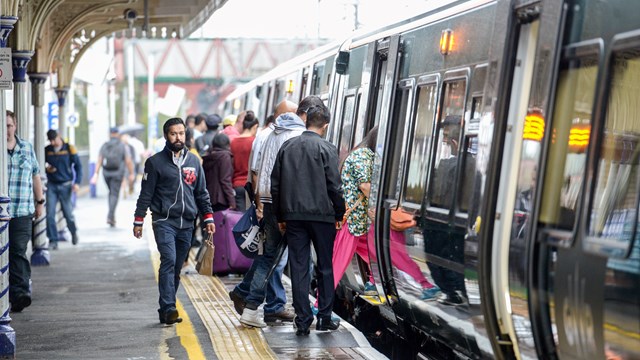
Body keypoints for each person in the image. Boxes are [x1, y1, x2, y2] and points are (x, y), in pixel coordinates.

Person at [271, 96, 345, 335]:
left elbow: (276, 184)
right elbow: (334, 185)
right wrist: (339, 211)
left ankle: (302, 320)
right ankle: (324, 317)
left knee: (299, 266)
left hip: (293, 217)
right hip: (323, 217)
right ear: (324, 126)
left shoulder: (288, 146)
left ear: (305, 122)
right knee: (325, 266)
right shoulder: (327, 148)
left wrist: (281, 216)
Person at [228, 99, 303, 329]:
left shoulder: (269, 135)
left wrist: (261, 203)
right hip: (282, 206)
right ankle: (252, 306)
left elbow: (259, 172)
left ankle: (244, 296)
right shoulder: (294, 135)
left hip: (269, 202)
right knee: (273, 258)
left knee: (267, 256)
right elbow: (276, 173)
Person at [133, 117, 216, 325]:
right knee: (168, 260)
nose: (178, 137)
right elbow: (146, 193)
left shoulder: (194, 162)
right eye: (173, 133)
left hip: (187, 223)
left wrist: (208, 217)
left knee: (177, 267)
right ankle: (170, 307)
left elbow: (201, 193)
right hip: (164, 221)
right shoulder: (155, 163)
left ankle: (165, 308)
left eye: (181, 133)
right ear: (166, 136)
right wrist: (138, 219)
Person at [6, 110, 44, 312]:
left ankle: (20, 293)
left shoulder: (27, 149)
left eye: (9, 125)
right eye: (3, 126)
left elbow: (36, 176)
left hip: (22, 211)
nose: (6, 130)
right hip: (1, 213)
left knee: (18, 251)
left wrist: (40, 202)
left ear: (15, 126)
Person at [44, 129, 82, 249]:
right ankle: (53, 240)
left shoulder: (69, 148)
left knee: (68, 214)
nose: (53, 142)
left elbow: (78, 166)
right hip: (52, 185)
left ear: (59, 136)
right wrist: (47, 169)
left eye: (54, 139)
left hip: (66, 185)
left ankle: (73, 232)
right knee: (50, 214)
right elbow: (40, 164)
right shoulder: (47, 150)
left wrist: (77, 183)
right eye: (50, 140)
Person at [90, 128, 135, 227]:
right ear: (118, 134)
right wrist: (131, 173)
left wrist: (95, 174)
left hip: (106, 173)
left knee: (111, 193)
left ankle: (112, 216)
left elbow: (99, 160)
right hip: (118, 173)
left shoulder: (105, 145)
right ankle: (110, 216)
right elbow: (128, 160)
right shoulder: (122, 146)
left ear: (110, 134)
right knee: (114, 194)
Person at [230, 111, 258, 211]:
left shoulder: (233, 142)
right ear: (255, 126)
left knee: (238, 219)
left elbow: (231, 165)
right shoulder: (254, 142)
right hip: (250, 185)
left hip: (236, 184)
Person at [202, 133, 236, 211]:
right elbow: (225, 180)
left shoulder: (208, 157)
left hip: (209, 197)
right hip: (221, 199)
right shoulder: (224, 157)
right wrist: (231, 201)